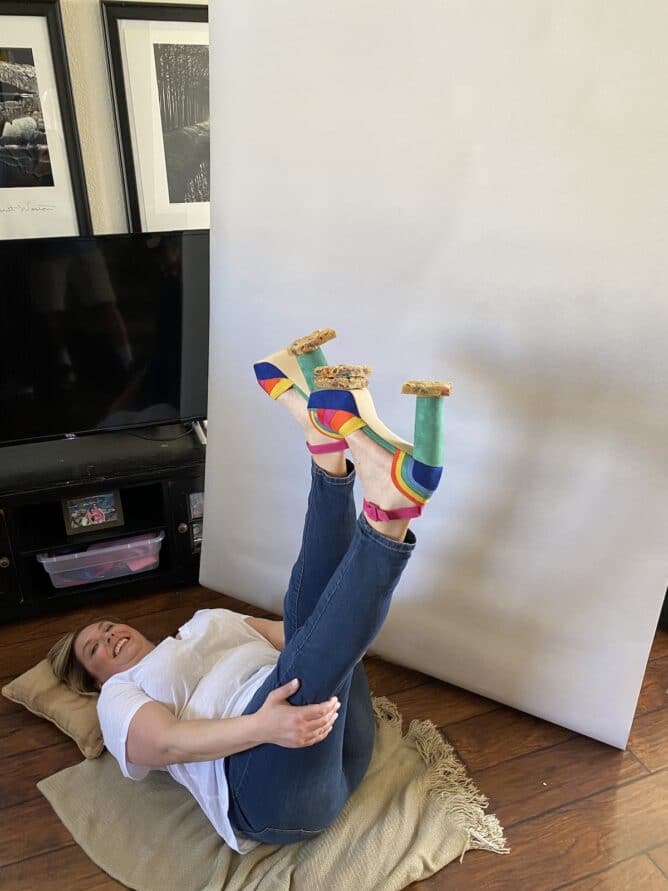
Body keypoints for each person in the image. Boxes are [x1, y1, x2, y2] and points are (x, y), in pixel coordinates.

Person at [48, 329, 450, 854]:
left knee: (308, 628)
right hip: (273, 792)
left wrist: (338, 635)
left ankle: (331, 456)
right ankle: (383, 509)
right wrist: (264, 727)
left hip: (340, 737)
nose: (108, 637)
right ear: (94, 681)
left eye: (106, 628)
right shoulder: (122, 698)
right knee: (301, 668)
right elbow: (168, 743)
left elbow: (305, 632)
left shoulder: (205, 622)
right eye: (95, 649)